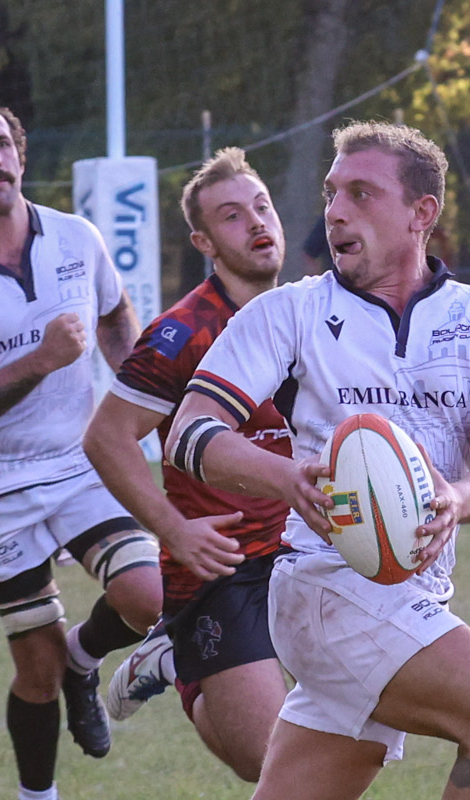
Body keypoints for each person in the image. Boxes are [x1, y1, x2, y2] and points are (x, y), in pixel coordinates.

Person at [164, 121, 470, 799]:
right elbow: (188, 433)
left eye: (361, 194)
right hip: (322, 589)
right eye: (332, 193)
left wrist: (459, 498)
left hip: (411, 595)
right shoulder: (290, 313)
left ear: (421, 214)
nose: (335, 211)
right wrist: (285, 477)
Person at [0, 100, 163, 800]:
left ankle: (87, 656)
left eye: (2, 144)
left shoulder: (77, 237)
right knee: (36, 669)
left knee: (150, 596)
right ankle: (37, 794)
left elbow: (114, 314)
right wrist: (42, 361)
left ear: (20, 155)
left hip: (78, 459)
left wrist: (141, 393)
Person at [82, 147, 291, 782]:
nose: (256, 223)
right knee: (271, 765)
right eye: (232, 216)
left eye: (261, 207)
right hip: (221, 566)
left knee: (342, 751)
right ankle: (176, 660)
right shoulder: (183, 332)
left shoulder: (318, 310)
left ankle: (180, 660)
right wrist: (174, 532)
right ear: (203, 240)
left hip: (312, 551)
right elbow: (108, 438)